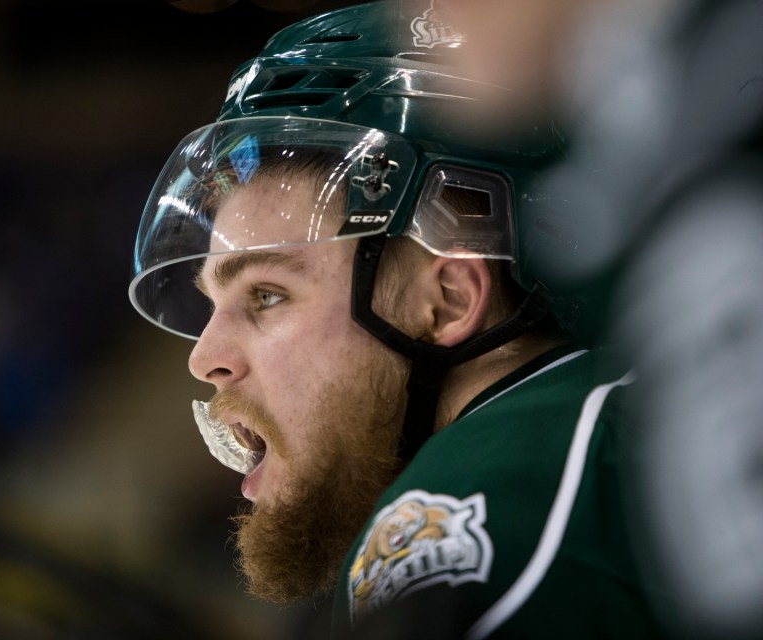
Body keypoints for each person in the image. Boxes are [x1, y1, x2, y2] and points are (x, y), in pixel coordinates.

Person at [128, 0, 665, 637]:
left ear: (450, 300)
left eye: (267, 295)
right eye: (213, 305)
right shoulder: (632, 421)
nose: (203, 358)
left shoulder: (461, 511)